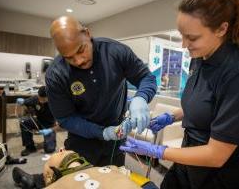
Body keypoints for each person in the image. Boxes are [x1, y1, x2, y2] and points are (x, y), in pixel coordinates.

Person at [120, 0, 239, 189]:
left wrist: (157, 150)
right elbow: (204, 105)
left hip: (223, 174)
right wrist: (169, 117)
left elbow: (216, 155)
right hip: (189, 159)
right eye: (182, 36)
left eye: (191, 38)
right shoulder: (200, 58)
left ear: (221, 29)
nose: (184, 45)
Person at [45, 16, 157, 167]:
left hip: (117, 136)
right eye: (69, 58)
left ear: (87, 34)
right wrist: (102, 132)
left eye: (81, 50)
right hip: (81, 138)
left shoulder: (115, 52)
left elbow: (146, 77)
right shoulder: (56, 74)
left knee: (113, 178)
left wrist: (141, 98)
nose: (78, 61)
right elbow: (65, 118)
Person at [12, 149, 158, 189]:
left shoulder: (111, 168)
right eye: (58, 153)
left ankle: (33, 181)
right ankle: (32, 181)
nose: (61, 149)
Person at [17, 86, 58, 156]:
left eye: (43, 99)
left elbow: (62, 124)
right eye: (39, 98)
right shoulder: (36, 99)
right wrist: (22, 101)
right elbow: (26, 102)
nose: (41, 101)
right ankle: (30, 147)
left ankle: (49, 142)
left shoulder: (55, 103)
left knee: (49, 149)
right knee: (24, 122)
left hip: (50, 126)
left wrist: (50, 130)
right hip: (38, 121)